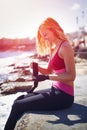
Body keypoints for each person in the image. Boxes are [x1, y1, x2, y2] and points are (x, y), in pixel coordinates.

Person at [4, 17, 76, 130]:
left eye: (46, 34)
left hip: (64, 96)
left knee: (18, 106)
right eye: (43, 36)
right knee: (18, 99)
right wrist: (36, 66)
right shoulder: (54, 48)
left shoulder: (65, 46)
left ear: (54, 29)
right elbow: (48, 70)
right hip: (54, 90)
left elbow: (71, 76)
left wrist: (47, 77)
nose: (45, 38)